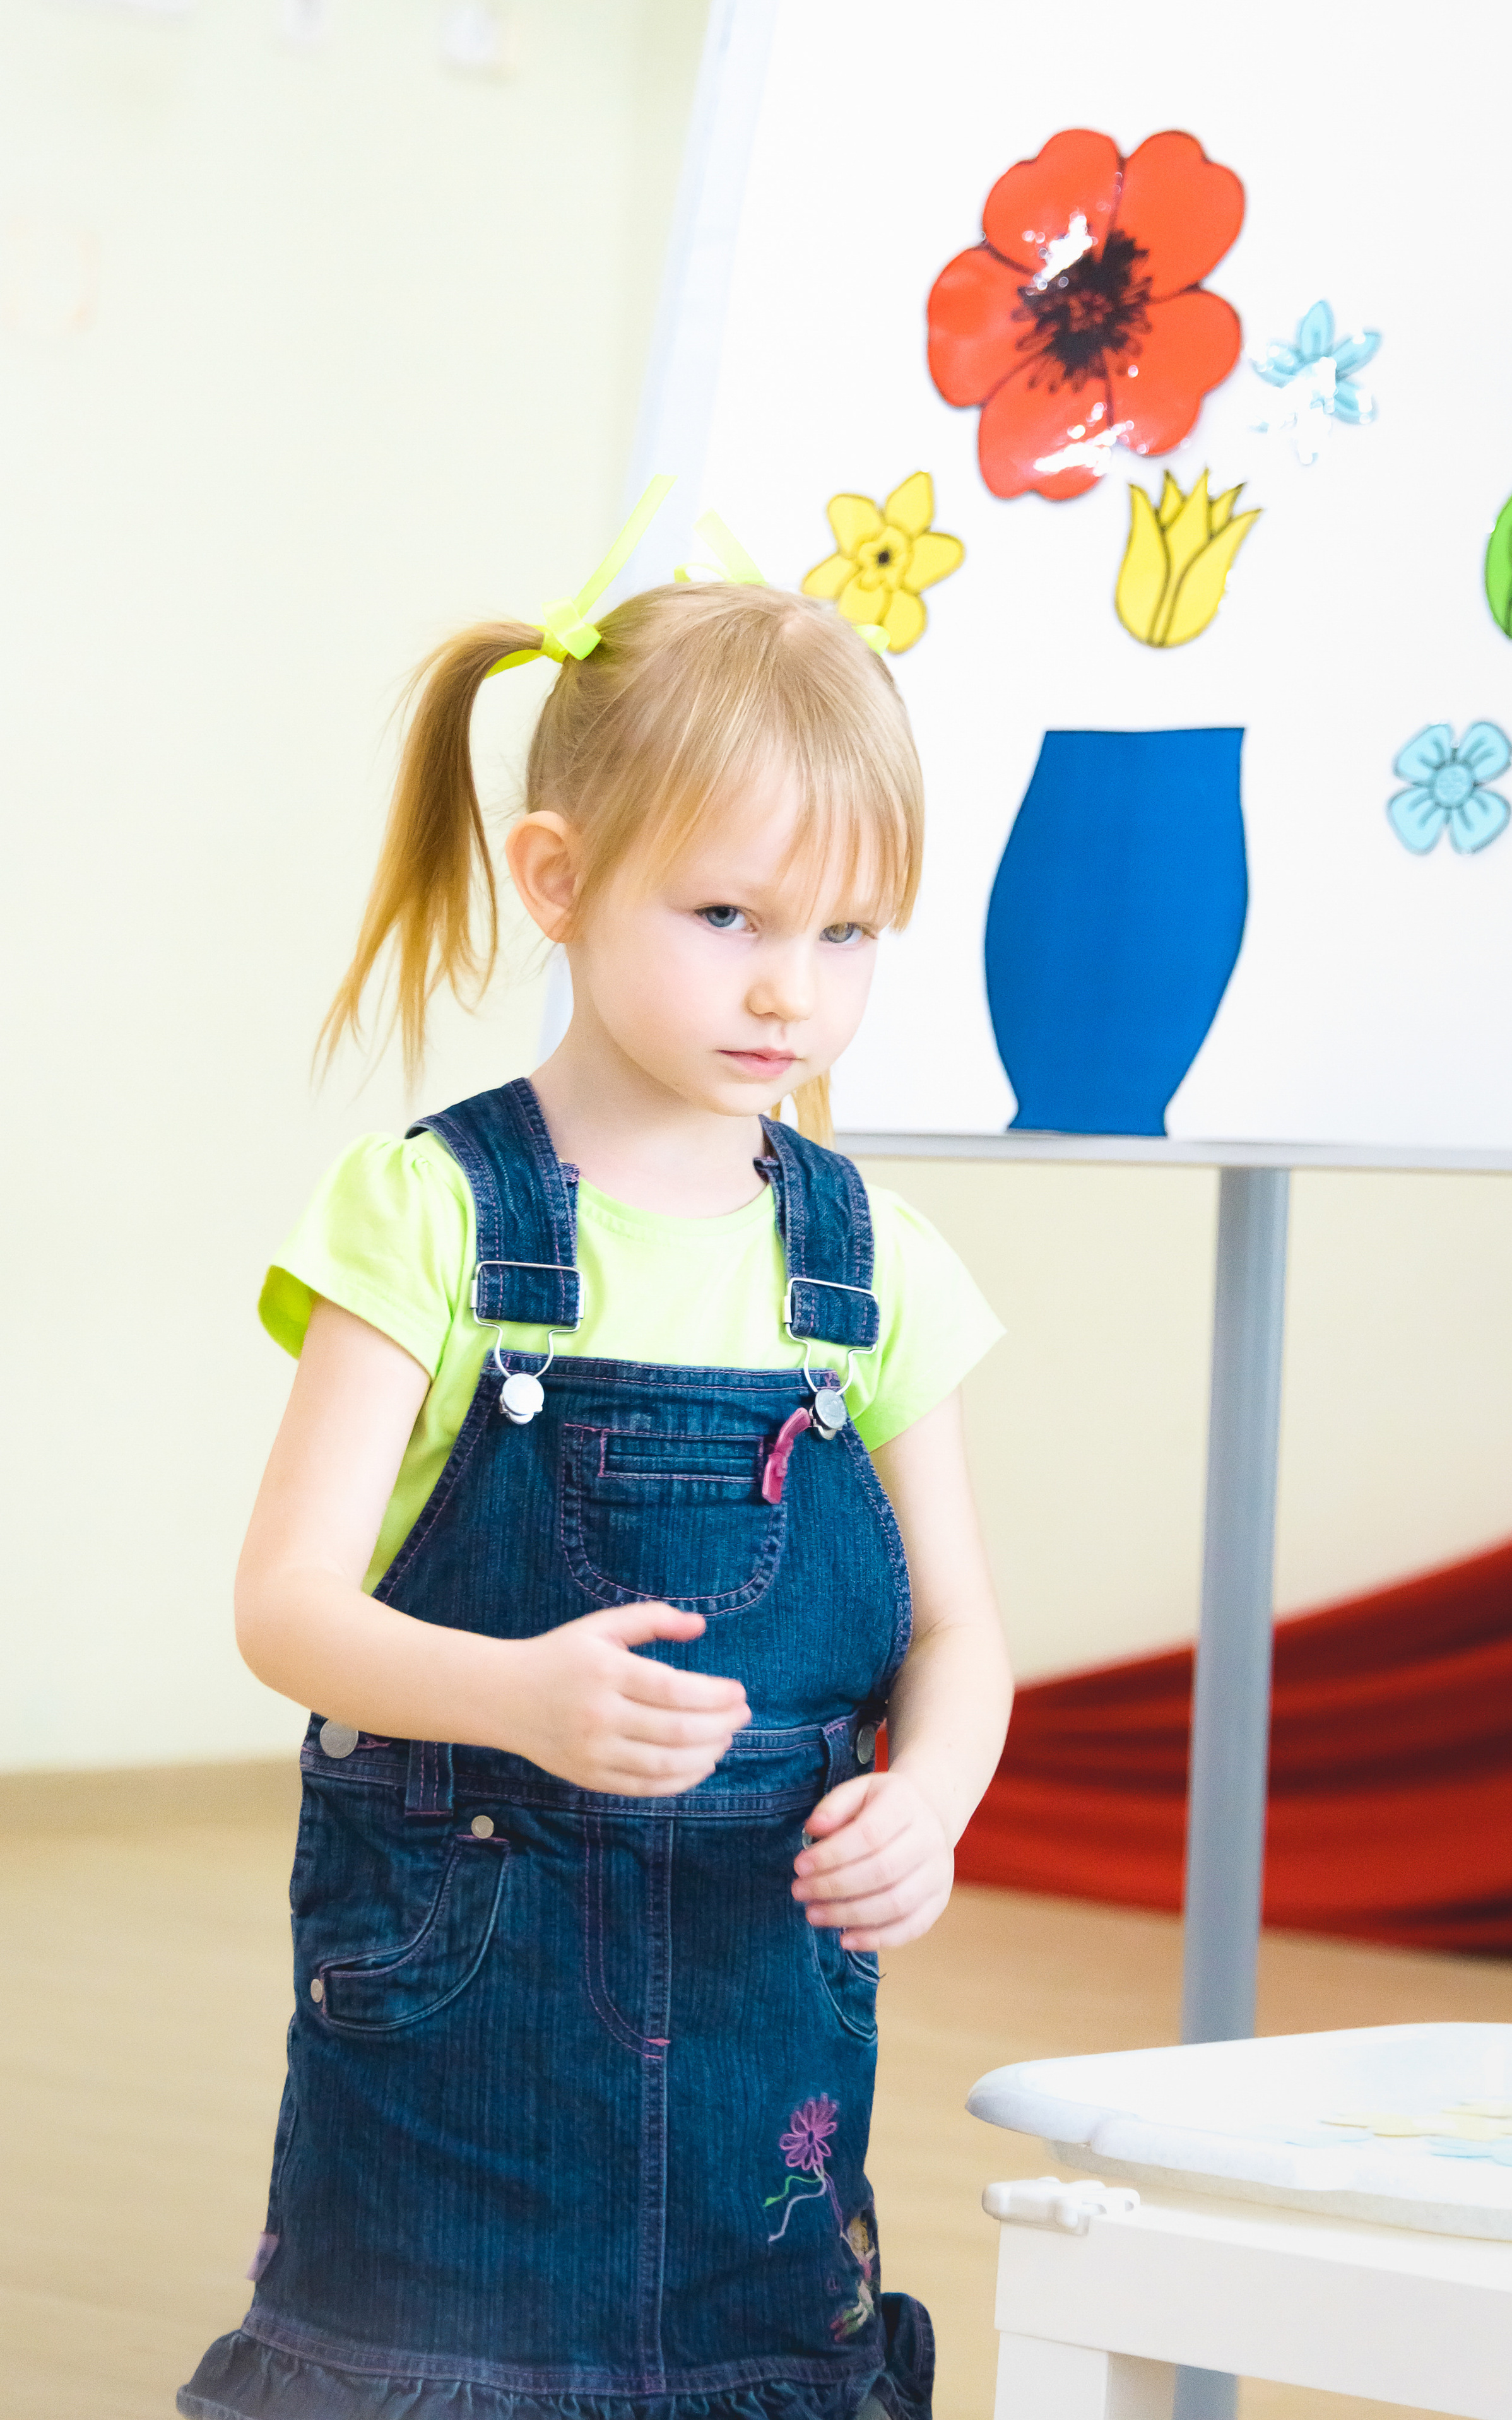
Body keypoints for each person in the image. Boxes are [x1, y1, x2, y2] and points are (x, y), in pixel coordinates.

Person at [178, 526, 1013, 2420]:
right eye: (728, 916)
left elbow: (958, 1624)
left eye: (848, 933)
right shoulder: (434, 1211)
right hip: (467, 2027)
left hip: (759, 2046)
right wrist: (516, 1694)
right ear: (558, 878)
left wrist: (937, 1797)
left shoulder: (874, 1263)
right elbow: (285, 1604)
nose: (789, 990)